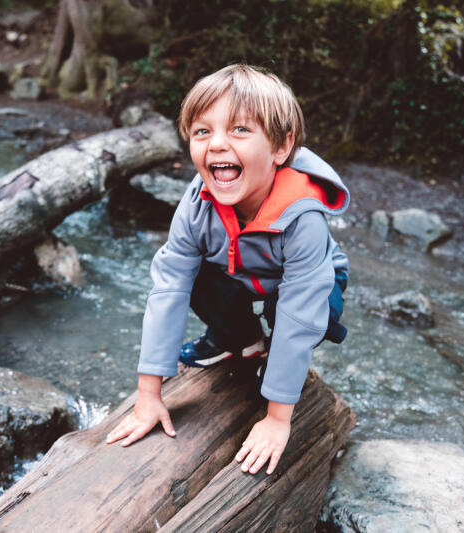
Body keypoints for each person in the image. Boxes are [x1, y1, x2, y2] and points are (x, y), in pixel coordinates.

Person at [106, 64, 349, 476]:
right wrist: (148, 394)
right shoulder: (197, 203)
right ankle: (245, 340)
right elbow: (169, 289)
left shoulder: (303, 218)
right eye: (203, 132)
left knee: (301, 316)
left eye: (239, 130)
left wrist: (277, 418)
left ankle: (270, 358)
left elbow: (299, 314)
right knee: (188, 271)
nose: (217, 144)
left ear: (280, 146)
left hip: (306, 288)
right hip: (236, 273)